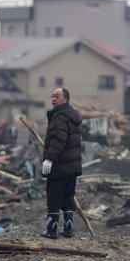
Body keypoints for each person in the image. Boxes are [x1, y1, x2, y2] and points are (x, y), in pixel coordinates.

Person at [40, 87, 82, 239]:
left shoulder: (59, 117)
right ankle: (68, 229)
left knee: (54, 197)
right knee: (67, 198)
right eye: (52, 96)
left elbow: (59, 140)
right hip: (72, 166)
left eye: (57, 96)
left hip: (60, 166)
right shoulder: (72, 115)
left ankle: (51, 230)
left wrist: (49, 159)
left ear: (65, 99)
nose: (53, 99)